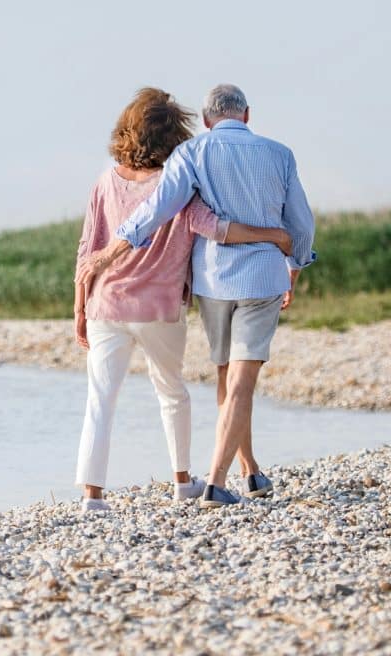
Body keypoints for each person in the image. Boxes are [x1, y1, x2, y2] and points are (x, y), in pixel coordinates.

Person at [79, 84, 316, 508]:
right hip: (238, 286)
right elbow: (292, 225)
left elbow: (141, 218)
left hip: (197, 286)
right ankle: (203, 482)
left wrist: (104, 262)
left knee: (221, 380)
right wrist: (291, 261)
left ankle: (247, 469)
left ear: (207, 121)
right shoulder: (273, 156)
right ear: (247, 115)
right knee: (221, 385)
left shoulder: (179, 161)